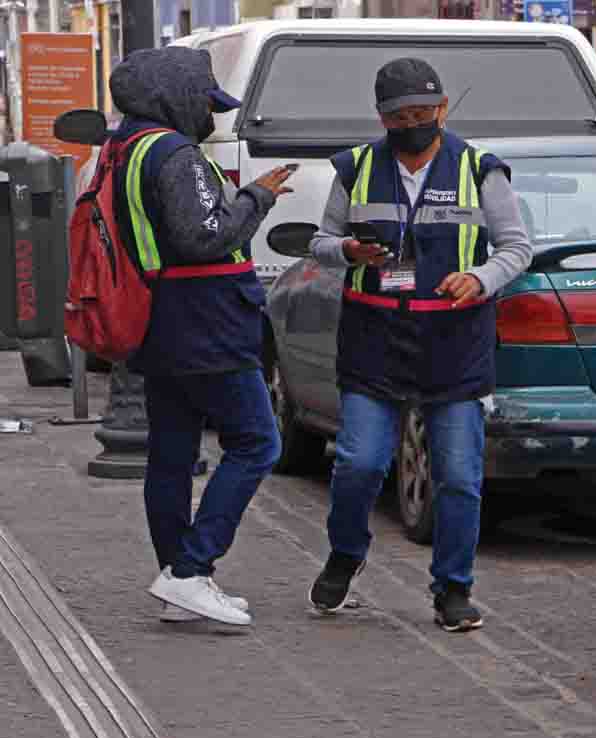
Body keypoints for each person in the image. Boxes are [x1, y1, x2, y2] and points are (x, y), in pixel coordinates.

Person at [308, 58, 532, 631]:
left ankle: (453, 589)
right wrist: (346, 253)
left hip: (453, 341)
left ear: (443, 110)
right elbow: (320, 241)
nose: (413, 124)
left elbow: (515, 249)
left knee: (457, 475)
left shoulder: (482, 170)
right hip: (374, 338)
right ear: (381, 118)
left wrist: (480, 278)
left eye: (424, 113)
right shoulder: (355, 168)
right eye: (400, 115)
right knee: (358, 464)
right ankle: (346, 554)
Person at [109, 47, 294, 626]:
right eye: (206, 104)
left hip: (159, 319)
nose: (210, 117)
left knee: (171, 454)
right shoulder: (174, 152)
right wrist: (257, 196)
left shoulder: (124, 146)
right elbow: (203, 237)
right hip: (207, 323)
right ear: (177, 98)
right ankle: (190, 570)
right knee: (257, 442)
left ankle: (180, 582)